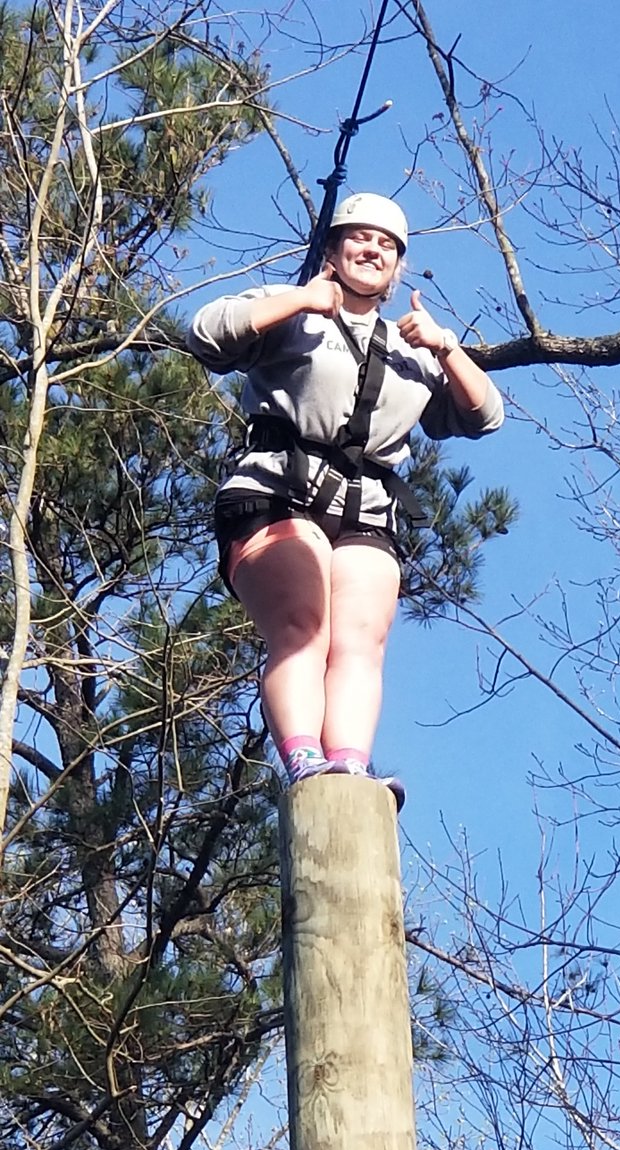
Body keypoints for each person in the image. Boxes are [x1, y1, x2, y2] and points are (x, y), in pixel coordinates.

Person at [187, 193, 504, 804]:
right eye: (358, 238)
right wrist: (303, 297)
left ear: (398, 268)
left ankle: (351, 772)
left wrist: (445, 346)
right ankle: (304, 759)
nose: (372, 249)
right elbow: (205, 333)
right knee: (304, 624)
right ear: (332, 251)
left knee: (361, 638)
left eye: (386, 244)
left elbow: (483, 416)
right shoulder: (293, 310)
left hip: (365, 506)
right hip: (277, 491)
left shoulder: (414, 346)